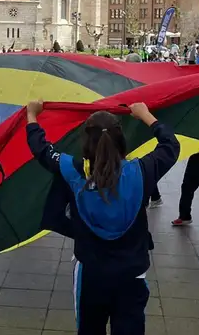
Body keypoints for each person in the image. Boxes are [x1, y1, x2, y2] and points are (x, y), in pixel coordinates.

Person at [25, 98, 179, 334]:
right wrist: (146, 115)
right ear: (121, 139)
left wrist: (32, 116)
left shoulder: (71, 171)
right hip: (132, 274)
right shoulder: (142, 171)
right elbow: (170, 145)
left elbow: (41, 149)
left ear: (85, 141)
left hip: (91, 273)